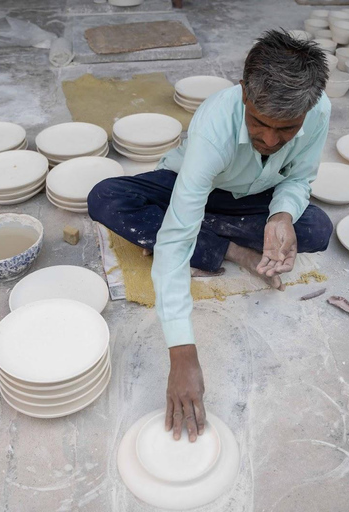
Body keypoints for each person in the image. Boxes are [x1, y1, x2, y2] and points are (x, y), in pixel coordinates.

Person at [88, 29, 333, 443]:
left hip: (253, 196)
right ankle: (229, 247)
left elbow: (301, 178)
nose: (270, 141)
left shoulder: (318, 110)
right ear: (243, 94)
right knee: (106, 197)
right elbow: (175, 241)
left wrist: (282, 214)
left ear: (307, 112)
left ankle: (216, 231)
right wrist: (182, 353)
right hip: (191, 183)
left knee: (316, 228)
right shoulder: (213, 128)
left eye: (286, 130)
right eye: (258, 123)